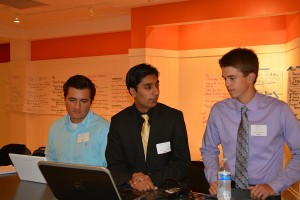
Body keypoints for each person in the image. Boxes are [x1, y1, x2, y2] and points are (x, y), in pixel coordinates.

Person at [200, 48, 300, 200]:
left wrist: (275, 185)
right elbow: (208, 149)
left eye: (232, 78)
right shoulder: (219, 111)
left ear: (250, 77)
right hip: (228, 191)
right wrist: (214, 178)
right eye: (224, 78)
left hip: (265, 193)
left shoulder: (279, 110)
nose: (227, 84)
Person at [105, 63, 191, 191]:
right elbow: (114, 164)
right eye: (148, 87)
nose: (155, 92)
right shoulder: (119, 121)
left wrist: (151, 178)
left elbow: (182, 163)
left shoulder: (173, 117)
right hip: (133, 191)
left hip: (167, 191)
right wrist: (132, 178)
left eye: (157, 85)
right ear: (133, 91)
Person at [45, 75, 110, 166]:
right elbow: (50, 159)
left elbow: (109, 166)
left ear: (91, 102)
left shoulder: (104, 129)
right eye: (72, 100)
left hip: (92, 180)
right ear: (64, 99)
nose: (77, 107)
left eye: (83, 101)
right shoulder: (56, 127)